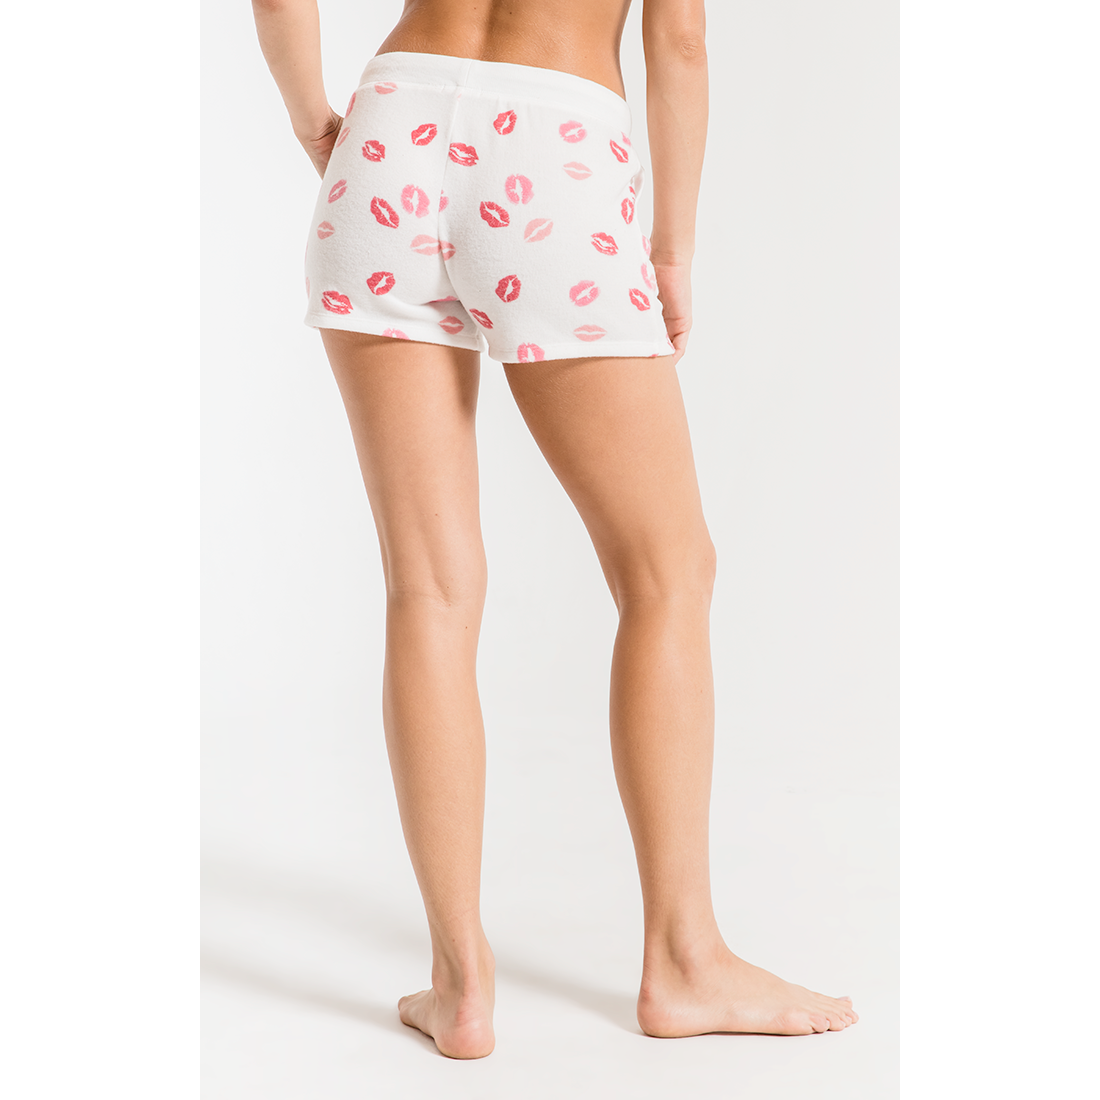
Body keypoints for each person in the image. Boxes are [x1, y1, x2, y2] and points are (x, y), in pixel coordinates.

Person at [250, 0, 858, 1059]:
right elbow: (678, 39)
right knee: (667, 571)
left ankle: (460, 985)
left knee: (429, 588)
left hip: (390, 132)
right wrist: (672, 249)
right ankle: (682, 958)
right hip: (550, 144)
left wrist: (314, 116)